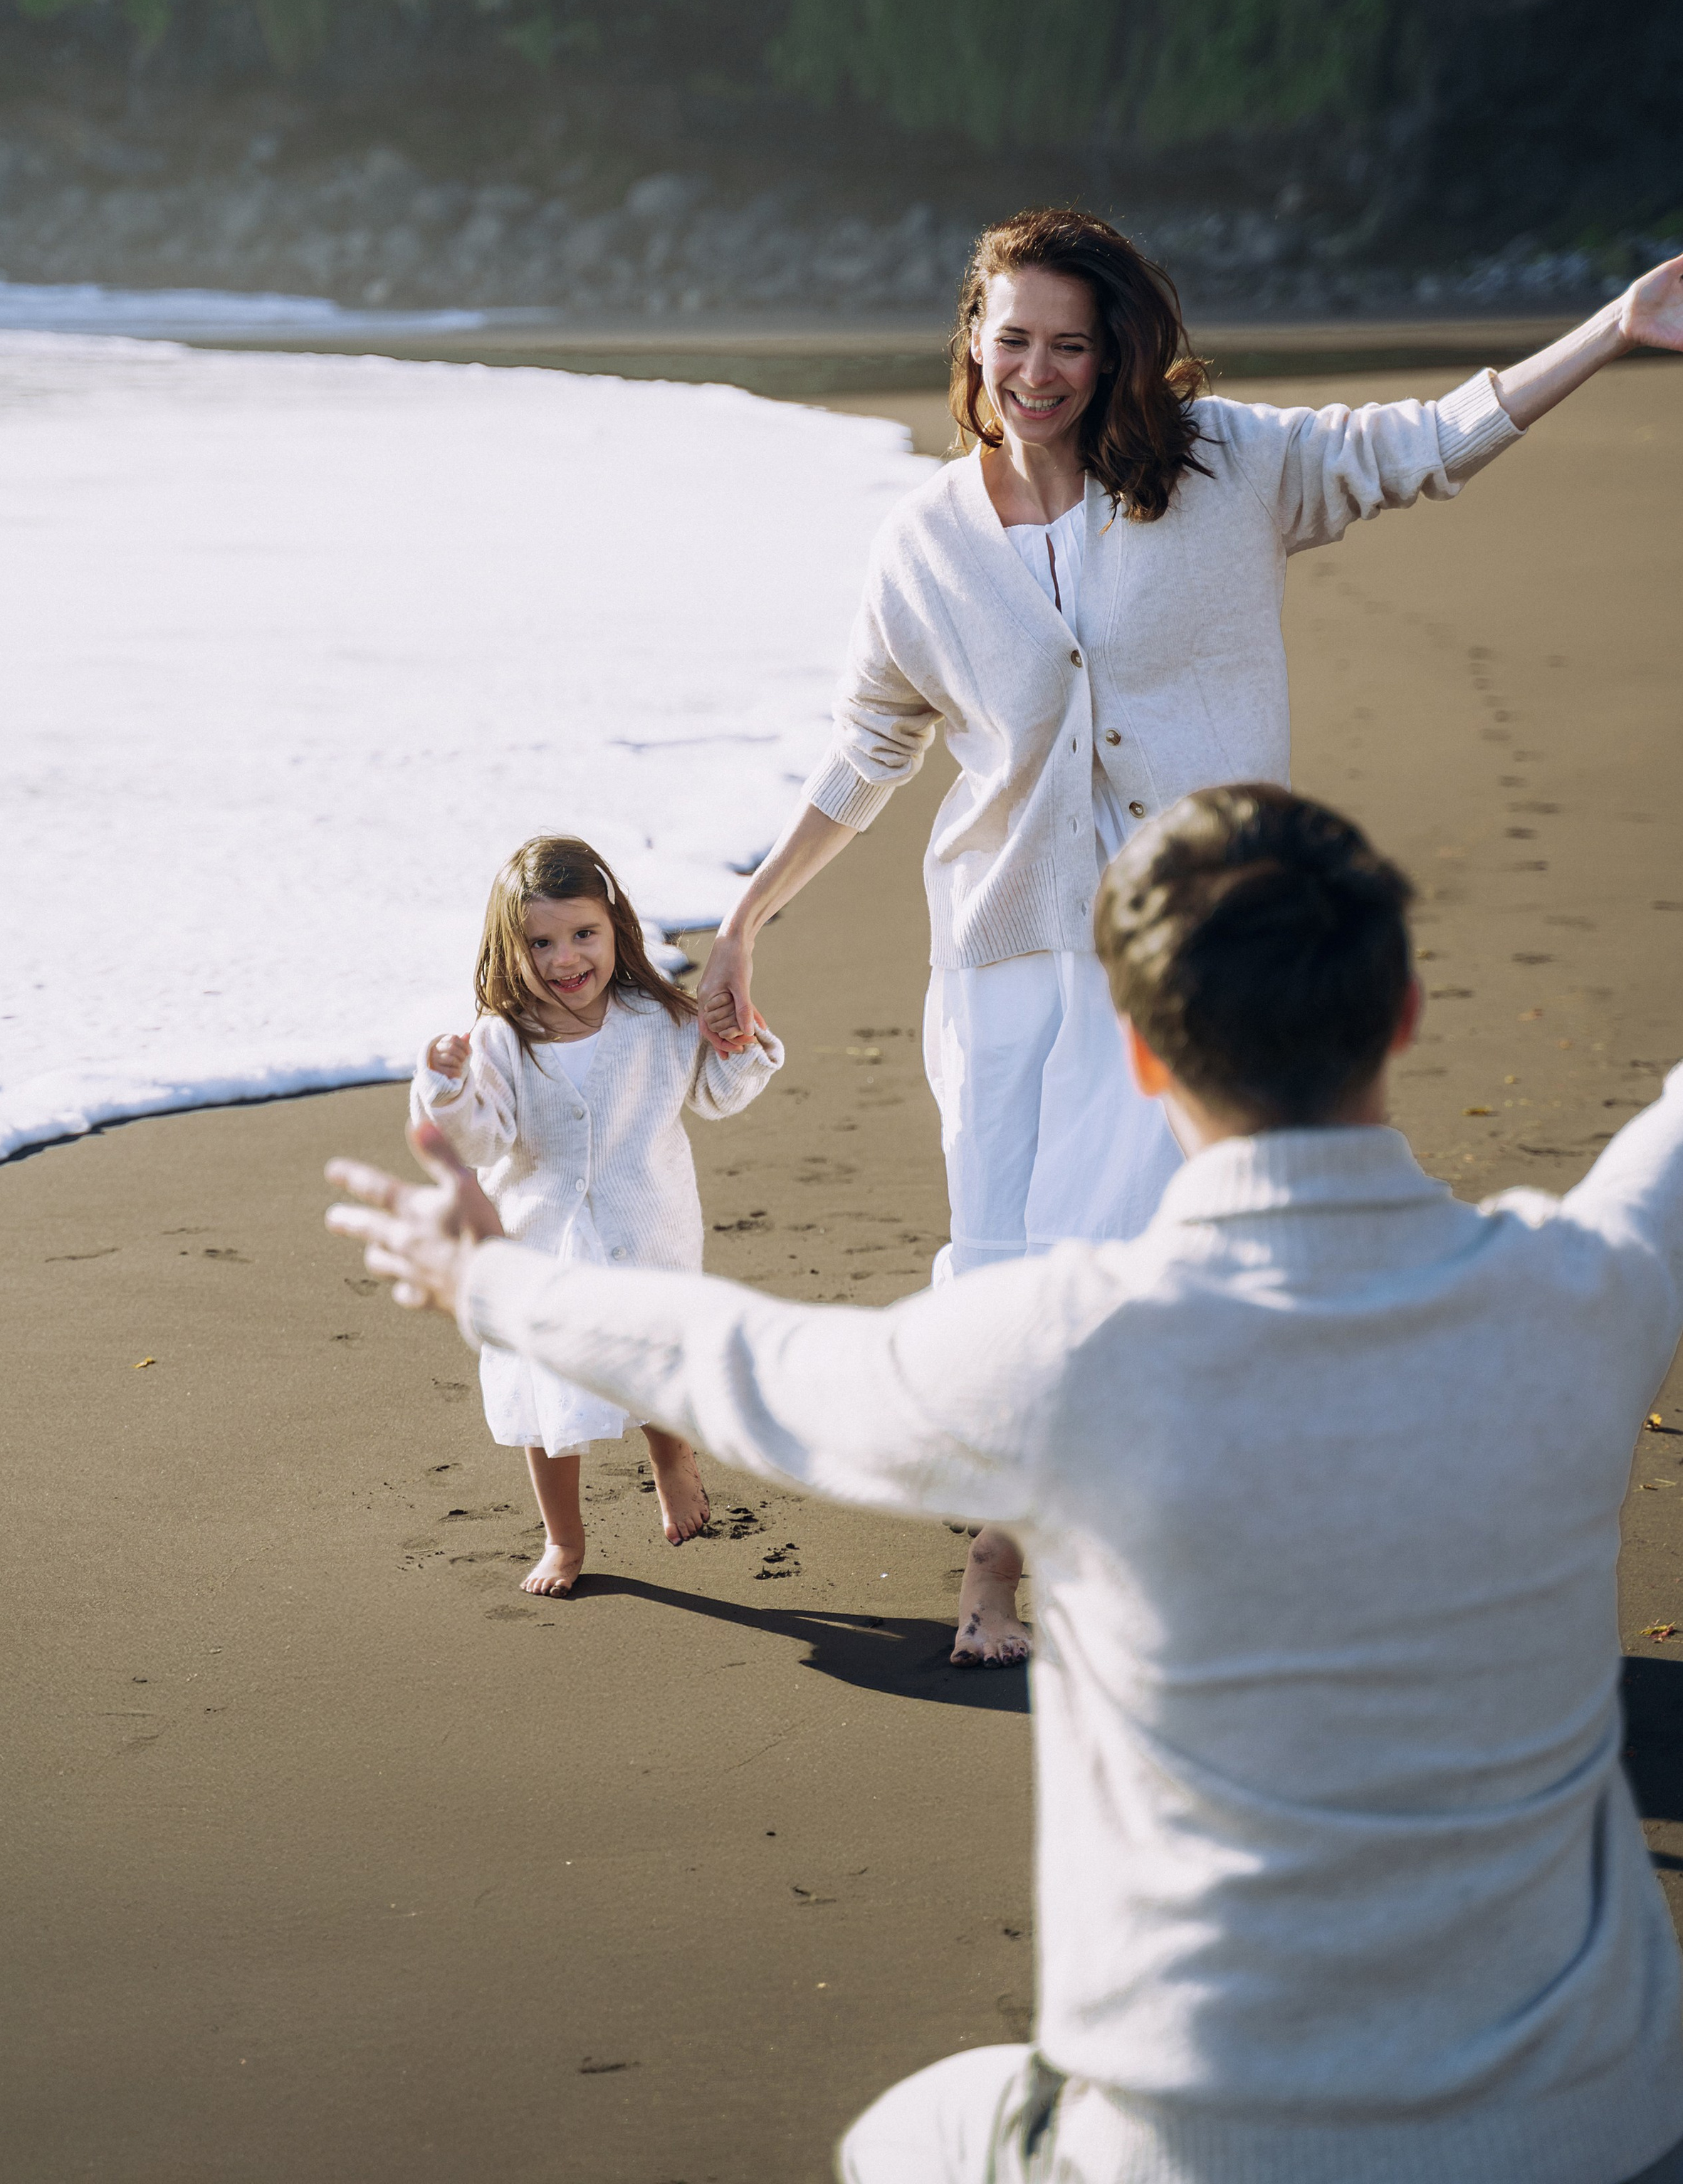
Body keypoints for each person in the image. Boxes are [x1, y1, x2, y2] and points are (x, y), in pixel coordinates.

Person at [330, 783, 1683, 2184]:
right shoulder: (1588, 1288)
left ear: (1140, 1056)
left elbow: (753, 1368)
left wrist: (489, 1283)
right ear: (1401, 1013)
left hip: (1193, 2148)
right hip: (1605, 2123)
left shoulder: (1065, 1349)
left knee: (897, 2141)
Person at [696, 209, 1683, 1665]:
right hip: (1011, 958)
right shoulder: (922, 544)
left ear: (1114, 355)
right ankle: (1023, 1566)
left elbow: (1417, 445)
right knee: (1018, 1278)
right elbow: (869, 749)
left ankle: (1124, 1569)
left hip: (1198, 951)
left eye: (1070, 344)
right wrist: (744, 916)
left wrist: (1609, 333)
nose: (1038, 370)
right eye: (1014, 338)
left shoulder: (1221, 467)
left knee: (1172, 1257)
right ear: (973, 341)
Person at [409, 832, 782, 1594]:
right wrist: (448, 1087)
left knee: (654, 1363)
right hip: (541, 1247)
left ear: (616, 927)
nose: (565, 959)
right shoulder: (502, 1040)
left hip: (647, 1236)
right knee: (545, 1397)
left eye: (583, 934)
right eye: (540, 943)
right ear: (510, 949)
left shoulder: (657, 1019)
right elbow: (481, 1140)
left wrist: (743, 1041)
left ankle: (671, 1455)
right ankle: (563, 1540)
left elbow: (716, 1094)